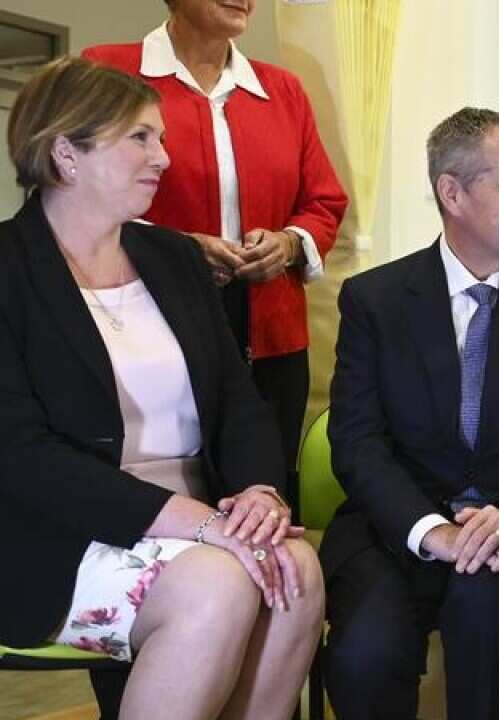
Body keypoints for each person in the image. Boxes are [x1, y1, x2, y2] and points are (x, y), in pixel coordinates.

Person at [0, 57, 323, 720]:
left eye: (161, 138)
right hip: (53, 539)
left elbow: (239, 401)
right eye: (140, 139)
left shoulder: (173, 258)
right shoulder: (7, 269)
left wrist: (258, 494)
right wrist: (206, 527)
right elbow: (21, 454)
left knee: (297, 571)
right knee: (218, 583)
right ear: (66, 153)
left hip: (200, 526)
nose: (164, 159)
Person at [320, 107, 499, 720]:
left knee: (489, 612)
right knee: (366, 653)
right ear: (451, 193)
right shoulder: (375, 300)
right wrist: (437, 534)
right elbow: (357, 442)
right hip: (398, 532)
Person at [83, 0, 349, 504]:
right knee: (174, 494)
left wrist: (289, 243)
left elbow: (324, 202)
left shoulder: (283, 90)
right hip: (152, 324)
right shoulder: (107, 68)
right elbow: (79, 194)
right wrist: (177, 251)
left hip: (271, 335)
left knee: (264, 495)